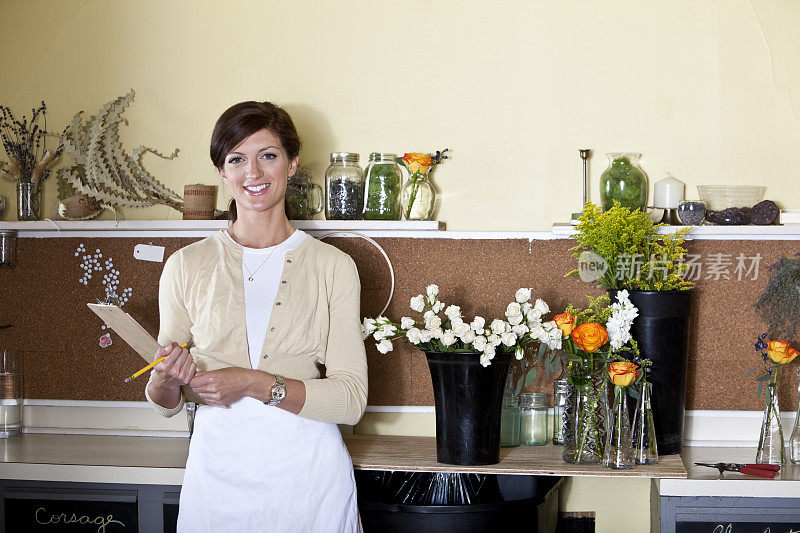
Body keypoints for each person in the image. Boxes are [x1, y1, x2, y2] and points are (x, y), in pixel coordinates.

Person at [145, 101, 368, 532]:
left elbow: (351, 400)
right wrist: (164, 380)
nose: (254, 173)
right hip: (217, 474)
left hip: (309, 477)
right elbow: (166, 401)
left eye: (267, 155)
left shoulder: (333, 266)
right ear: (222, 173)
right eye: (236, 159)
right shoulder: (185, 266)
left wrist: (250, 382)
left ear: (292, 163)